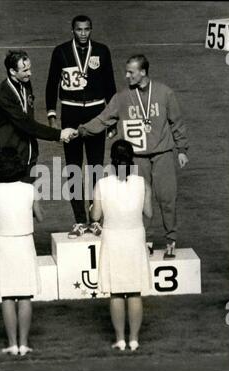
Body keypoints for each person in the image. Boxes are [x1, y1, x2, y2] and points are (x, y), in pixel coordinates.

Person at [79, 54, 189, 258]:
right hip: (136, 157)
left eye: (131, 72)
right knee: (140, 200)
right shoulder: (121, 98)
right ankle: (145, 240)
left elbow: (177, 122)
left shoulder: (165, 93)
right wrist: (81, 130)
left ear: (143, 72)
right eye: (126, 71)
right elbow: (103, 119)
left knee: (167, 198)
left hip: (163, 154)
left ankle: (171, 240)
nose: (126, 76)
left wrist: (182, 150)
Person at [45, 15, 116, 238]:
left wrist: (112, 119)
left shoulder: (102, 51)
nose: (83, 33)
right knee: (74, 168)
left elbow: (110, 85)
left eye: (87, 29)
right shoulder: (61, 52)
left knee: (95, 167)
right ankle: (78, 220)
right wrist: (51, 113)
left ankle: (95, 220)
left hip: (97, 114)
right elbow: (51, 83)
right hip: (71, 113)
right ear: (72, 30)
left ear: (91, 30)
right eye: (79, 30)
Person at [90, 140, 152, 351]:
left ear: (112, 160)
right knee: (134, 292)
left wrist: (93, 206)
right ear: (132, 158)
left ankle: (120, 339)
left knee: (117, 293)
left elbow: (95, 216)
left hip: (114, 240)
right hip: (134, 239)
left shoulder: (102, 185)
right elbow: (149, 213)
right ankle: (134, 339)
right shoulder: (142, 183)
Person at [0, 148, 43, 356]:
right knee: (25, 295)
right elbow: (40, 217)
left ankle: (12, 343)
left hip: (3, 245)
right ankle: (24, 344)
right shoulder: (29, 189)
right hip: (24, 242)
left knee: (8, 296)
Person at [0, 49, 78, 183]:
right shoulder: (3, 94)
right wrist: (58, 134)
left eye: (29, 69)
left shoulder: (25, 83)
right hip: (9, 159)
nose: (30, 73)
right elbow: (25, 123)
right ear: (12, 71)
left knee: (27, 200)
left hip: (28, 154)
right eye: (25, 70)